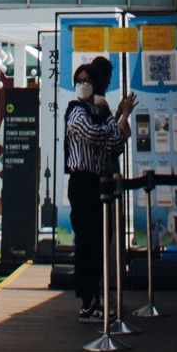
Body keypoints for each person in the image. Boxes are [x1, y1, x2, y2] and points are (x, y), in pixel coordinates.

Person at [63, 54, 133, 321]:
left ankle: (96, 298)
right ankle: (87, 301)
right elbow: (96, 134)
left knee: (99, 244)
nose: (83, 84)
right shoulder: (76, 110)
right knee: (86, 242)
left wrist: (113, 123)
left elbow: (115, 144)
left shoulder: (99, 110)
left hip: (97, 183)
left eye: (87, 80)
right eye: (79, 80)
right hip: (82, 181)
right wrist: (111, 125)